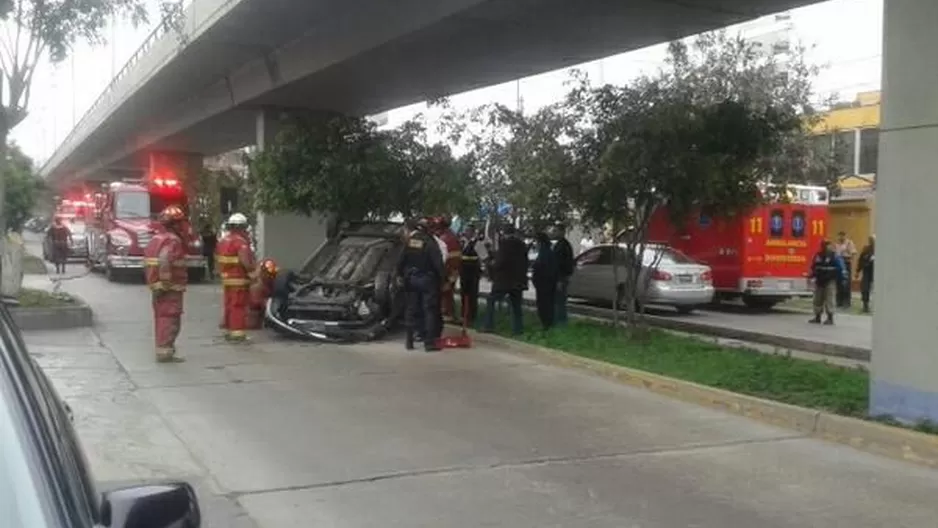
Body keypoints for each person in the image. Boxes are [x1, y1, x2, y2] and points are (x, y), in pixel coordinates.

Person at [143, 206, 189, 363]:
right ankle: (165, 352)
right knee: (169, 319)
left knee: (161, 317)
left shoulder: (156, 239)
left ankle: (163, 350)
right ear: (175, 224)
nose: (183, 226)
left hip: (159, 286)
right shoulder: (172, 240)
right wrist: (166, 282)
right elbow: (164, 260)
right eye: (180, 222)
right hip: (169, 288)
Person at [398, 218, 445, 351]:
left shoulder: (411, 241)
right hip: (427, 280)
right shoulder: (430, 242)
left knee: (411, 309)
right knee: (429, 310)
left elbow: (401, 260)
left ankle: (409, 342)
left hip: (411, 279)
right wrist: (443, 279)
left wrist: (401, 275)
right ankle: (429, 343)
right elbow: (438, 263)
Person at [216, 213, 256, 342]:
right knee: (238, 306)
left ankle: (229, 330)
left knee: (229, 304)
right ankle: (237, 334)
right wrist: (252, 272)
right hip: (239, 279)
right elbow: (245, 261)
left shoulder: (223, 241)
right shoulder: (240, 242)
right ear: (242, 227)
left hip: (226, 279)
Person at [482, 224, 528, 335]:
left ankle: (489, 325)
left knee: (491, 300)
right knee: (516, 306)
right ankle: (518, 329)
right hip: (518, 280)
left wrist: (490, 264)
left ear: (504, 233)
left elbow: (500, 262)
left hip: (504, 280)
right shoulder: (522, 245)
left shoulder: (505, 244)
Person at [809, 240, 846, 325]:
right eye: (824, 245)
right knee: (817, 299)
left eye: (828, 245)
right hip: (819, 280)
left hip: (830, 280)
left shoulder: (835, 256)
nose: (826, 247)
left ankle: (830, 318)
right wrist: (812, 275)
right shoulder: (818, 255)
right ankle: (817, 317)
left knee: (830, 299)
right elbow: (814, 266)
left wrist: (842, 279)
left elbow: (840, 268)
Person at [434, 216, 462, 323]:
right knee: (448, 295)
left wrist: (444, 277)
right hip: (452, 272)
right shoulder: (452, 237)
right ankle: (449, 314)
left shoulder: (444, 239)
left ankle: (446, 316)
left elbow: (445, 260)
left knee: (445, 295)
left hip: (446, 273)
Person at [531, 231, 559, 331]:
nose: (536, 245)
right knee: (548, 305)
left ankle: (546, 325)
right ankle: (548, 324)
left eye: (537, 242)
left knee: (544, 305)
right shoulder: (549, 252)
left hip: (543, 284)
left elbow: (540, 268)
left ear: (540, 242)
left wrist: (537, 280)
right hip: (547, 283)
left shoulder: (544, 253)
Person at [549, 222, 575, 326]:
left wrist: (560, 279)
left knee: (560, 301)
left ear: (562, 232)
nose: (554, 233)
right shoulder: (561, 244)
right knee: (558, 301)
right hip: (560, 277)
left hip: (561, 278)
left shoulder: (563, 245)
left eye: (556, 231)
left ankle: (561, 322)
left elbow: (562, 264)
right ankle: (560, 321)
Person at [459, 223, 482, 326]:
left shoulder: (478, 243)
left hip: (473, 272)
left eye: (468, 231)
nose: (466, 232)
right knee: (463, 294)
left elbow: (483, 257)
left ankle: (472, 317)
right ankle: (463, 315)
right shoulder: (462, 242)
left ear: (472, 232)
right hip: (463, 272)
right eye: (465, 230)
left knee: (473, 295)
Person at [247, 258, 278, 329]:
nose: (270, 277)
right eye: (267, 274)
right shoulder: (256, 287)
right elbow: (256, 303)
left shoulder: (270, 284)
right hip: (252, 319)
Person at [834, 230, 857, 308]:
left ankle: (846, 302)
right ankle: (839, 301)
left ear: (845, 236)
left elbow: (853, 253)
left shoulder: (849, 243)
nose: (841, 237)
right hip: (838, 264)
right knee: (839, 283)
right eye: (839, 236)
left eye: (842, 236)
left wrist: (850, 260)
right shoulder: (836, 244)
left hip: (846, 263)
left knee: (846, 284)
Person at [856, 235, 875, 313]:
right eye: (870, 240)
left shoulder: (880, 249)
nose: (871, 241)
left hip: (876, 272)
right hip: (867, 271)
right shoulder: (866, 249)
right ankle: (865, 305)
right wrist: (857, 271)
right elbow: (861, 261)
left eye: (872, 240)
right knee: (865, 288)